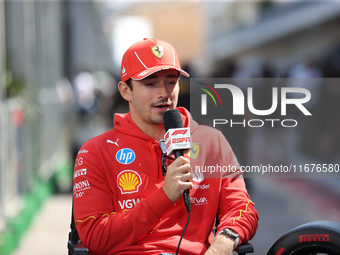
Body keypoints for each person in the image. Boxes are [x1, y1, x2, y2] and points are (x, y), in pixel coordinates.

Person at [73, 38, 259, 255]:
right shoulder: (95, 152)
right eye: (150, 83)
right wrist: (164, 196)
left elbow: (242, 209)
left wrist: (224, 243)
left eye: (171, 82)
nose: (164, 93)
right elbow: (96, 237)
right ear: (125, 91)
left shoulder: (212, 141)